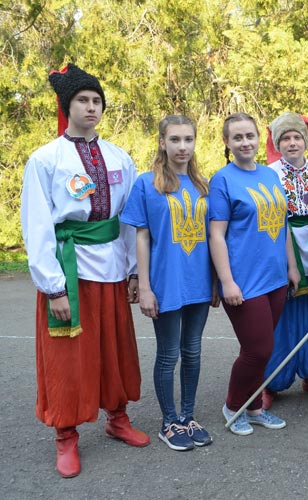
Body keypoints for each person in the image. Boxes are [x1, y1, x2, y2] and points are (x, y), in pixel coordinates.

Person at [21, 64, 149, 478]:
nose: (91, 107)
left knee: (115, 348)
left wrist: (133, 271)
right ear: (67, 106)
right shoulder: (45, 159)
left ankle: (118, 418)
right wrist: (54, 288)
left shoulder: (119, 157)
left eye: (97, 101)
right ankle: (66, 436)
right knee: (68, 358)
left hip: (112, 269)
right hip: (70, 272)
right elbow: (37, 225)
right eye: (83, 100)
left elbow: (129, 220)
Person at [121, 115, 217, 451]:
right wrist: (145, 286)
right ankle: (169, 422)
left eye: (188, 139)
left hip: (199, 282)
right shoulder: (146, 184)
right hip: (165, 282)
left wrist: (216, 280)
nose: (182, 147)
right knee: (168, 354)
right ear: (162, 142)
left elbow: (213, 236)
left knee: (193, 350)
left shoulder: (204, 185)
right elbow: (142, 237)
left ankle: (188, 417)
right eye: (175, 139)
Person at [209, 113, 300, 436]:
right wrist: (227, 281)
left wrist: (292, 266)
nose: (245, 142)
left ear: (260, 139)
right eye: (237, 137)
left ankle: (255, 407)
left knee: (262, 347)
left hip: (275, 277)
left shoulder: (270, 175)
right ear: (227, 142)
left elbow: (283, 225)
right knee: (257, 350)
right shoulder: (222, 179)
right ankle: (234, 405)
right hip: (244, 281)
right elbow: (216, 234)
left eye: (250, 135)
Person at [261, 112, 308, 409]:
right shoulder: (268, 174)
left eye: (297, 137)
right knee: (281, 321)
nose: (292, 143)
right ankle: (271, 383)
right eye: (286, 138)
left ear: (305, 141)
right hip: (284, 248)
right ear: (277, 144)